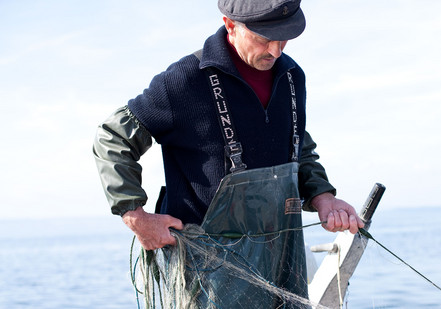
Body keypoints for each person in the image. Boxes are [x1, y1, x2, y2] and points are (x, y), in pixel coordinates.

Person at [93, 0, 364, 306]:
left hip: (284, 264)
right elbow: (112, 138)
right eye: (263, 39)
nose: (275, 51)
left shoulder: (292, 77)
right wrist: (135, 215)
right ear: (230, 25)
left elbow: (298, 146)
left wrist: (322, 196)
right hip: (206, 276)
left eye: (283, 38)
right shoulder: (184, 80)